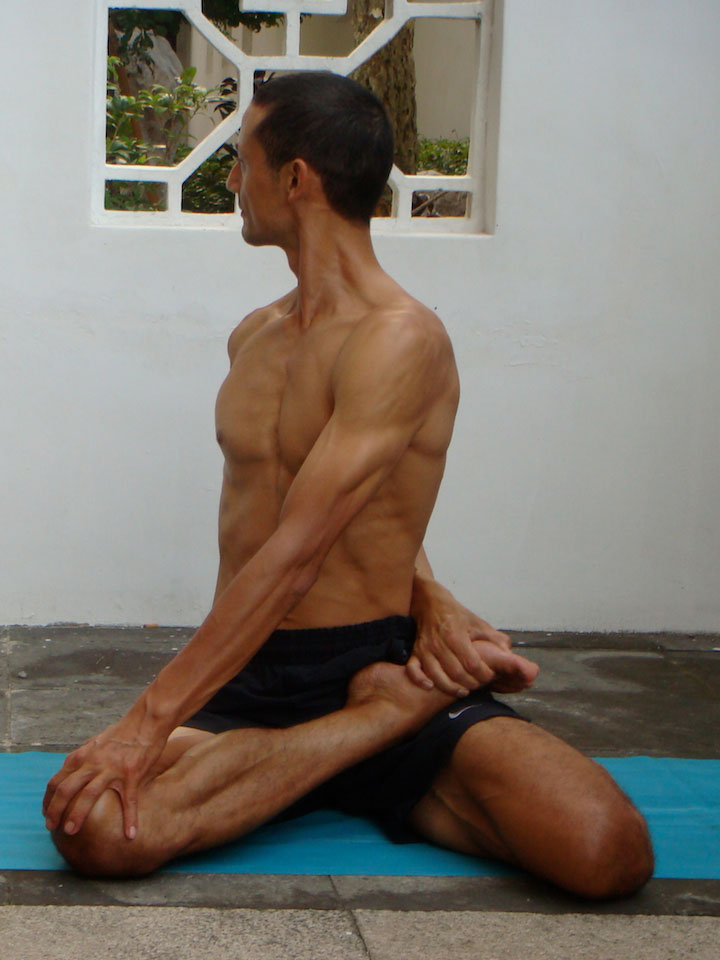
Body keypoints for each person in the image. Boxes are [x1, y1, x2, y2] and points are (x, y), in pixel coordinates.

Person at [44, 72, 653, 897]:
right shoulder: (252, 336)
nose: (232, 182)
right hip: (254, 675)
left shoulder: (401, 339)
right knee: (95, 834)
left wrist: (142, 726)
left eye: (242, 161)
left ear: (296, 179)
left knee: (605, 848)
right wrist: (430, 595)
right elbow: (348, 504)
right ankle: (372, 732)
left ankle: (304, 761)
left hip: (365, 653)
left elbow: (300, 551)